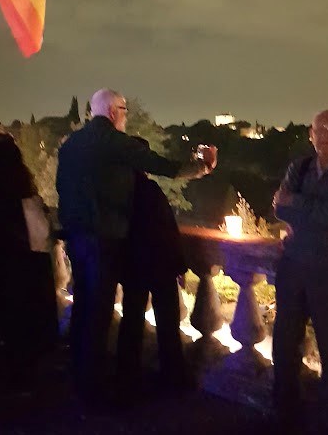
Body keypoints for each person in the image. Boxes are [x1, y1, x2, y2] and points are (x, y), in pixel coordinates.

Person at [56, 88, 217, 402]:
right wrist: (202, 166)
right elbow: (166, 166)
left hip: (77, 235)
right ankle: (93, 391)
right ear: (114, 111)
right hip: (103, 238)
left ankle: (78, 375)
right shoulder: (116, 142)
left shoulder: (72, 143)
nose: (126, 116)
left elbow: (63, 186)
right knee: (99, 312)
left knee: (84, 306)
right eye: (125, 110)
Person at [272, 109, 328, 433]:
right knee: (286, 342)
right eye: (321, 128)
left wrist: (299, 206)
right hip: (293, 267)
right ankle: (285, 411)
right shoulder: (298, 167)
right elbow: (279, 207)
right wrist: (319, 216)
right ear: (311, 134)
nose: (327, 134)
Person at [117, 137, 189, 401]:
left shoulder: (118, 193)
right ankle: (173, 375)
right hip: (159, 264)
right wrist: (179, 264)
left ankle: (127, 375)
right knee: (167, 321)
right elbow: (167, 229)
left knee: (132, 319)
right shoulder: (150, 190)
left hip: (133, 265)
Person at [0, 134, 58, 382]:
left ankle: (15, 375)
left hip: (8, 265)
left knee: (12, 321)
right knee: (29, 321)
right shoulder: (26, 188)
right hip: (32, 263)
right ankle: (30, 371)